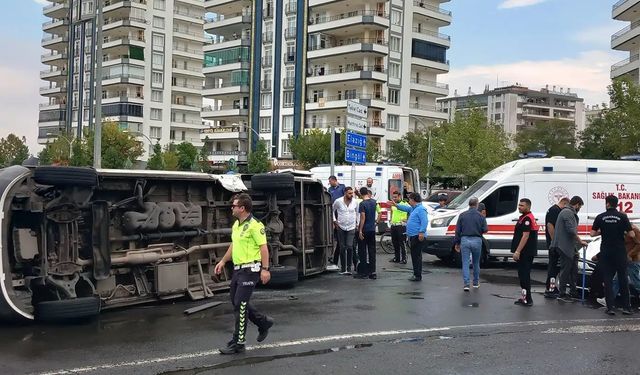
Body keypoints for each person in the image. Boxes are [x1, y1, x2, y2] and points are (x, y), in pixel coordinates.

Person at [215, 193, 274, 354]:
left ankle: (238, 342)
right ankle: (263, 323)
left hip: (250, 270)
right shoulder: (237, 225)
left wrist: (265, 269)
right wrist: (223, 261)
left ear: (242, 208)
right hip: (238, 269)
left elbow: (263, 248)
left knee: (240, 305)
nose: (231, 208)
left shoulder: (255, 225)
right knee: (237, 302)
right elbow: (234, 245)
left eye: (234, 206)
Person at [590, 195, 635, 315]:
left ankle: (610, 307)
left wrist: (602, 230)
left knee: (608, 279)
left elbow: (592, 234)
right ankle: (626, 307)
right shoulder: (622, 217)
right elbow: (631, 235)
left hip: (606, 252)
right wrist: (623, 231)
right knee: (622, 279)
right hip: (619, 251)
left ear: (607, 204)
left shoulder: (600, 217)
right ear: (616, 204)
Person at [550, 196, 586, 302]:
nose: (579, 209)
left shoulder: (568, 212)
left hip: (568, 245)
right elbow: (571, 231)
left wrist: (575, 249)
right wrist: (580, 242)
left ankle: (573, 291)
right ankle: (562, 292)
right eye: (580, 206)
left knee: (572, 268)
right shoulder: (568, 213)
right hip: (564, 246)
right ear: (577, 204)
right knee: (566, 269)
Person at [390, 192, 428, 281]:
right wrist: (396, 205)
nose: (409, 201)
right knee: (415, 256)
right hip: (413, 236)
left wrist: (421, 232)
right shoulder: (413, 208)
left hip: (417, 235)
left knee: (416, 256)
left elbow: (424, 221)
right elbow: (405, 208)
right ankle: (416, 274)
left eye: (410, 199)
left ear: (413, 200)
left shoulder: (421, 209)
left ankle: (417, 275)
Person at [454, 197, 488, 291]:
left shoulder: (462, 215)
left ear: (469, 204)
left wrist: (457, 242)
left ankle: (466, 284)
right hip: (477, 240)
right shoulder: (481, 216)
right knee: (476, 262)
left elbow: (458, 230)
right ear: (477, 205)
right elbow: (485, 229)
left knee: (465, 262)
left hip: (465, 239)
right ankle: (476, 283)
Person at [511, 198, 539, 306]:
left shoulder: (527, 219)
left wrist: (517, 251)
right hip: (525, 252)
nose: (519, 207)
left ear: (528, 206)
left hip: (526, 252)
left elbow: (525, 236)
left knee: (524, 275)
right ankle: (525, 298)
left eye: (522, 205)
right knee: (522, 275)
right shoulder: (524, 217)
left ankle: (528, 299)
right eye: (519, 205)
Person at [543, 197, 570, 298]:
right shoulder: (555, 210)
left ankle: (552, 287)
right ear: (564, 203)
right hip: (554, 244)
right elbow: (550, 226)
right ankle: (551, 289)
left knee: (555, 266)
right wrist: (555, 242)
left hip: (554, 243)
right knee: (553, 266)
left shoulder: (555, 210)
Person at [332, 187, 359, 275]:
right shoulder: (338, 201)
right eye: (349, 193)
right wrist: (334, 221)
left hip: (351, 227)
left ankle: (349, 268)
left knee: (350, 247)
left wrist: (357, 224)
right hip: (341, 227)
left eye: (352, 193)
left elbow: (358, 212)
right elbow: (332, 210)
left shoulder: (355, 202)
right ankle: (343, 268)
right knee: (342, 248)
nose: (351, 195)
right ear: (345, 193)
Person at [356, 187, 378, 279]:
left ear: (361, 194)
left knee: (362, 251)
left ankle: (364, 272)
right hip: (372, 229)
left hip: (365, 230)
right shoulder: (374, 202)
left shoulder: (362, 204)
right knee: (372, 251)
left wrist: (360, 230)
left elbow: (362, 217)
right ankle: (372, 271)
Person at [327, 175, 346, 270]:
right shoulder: (330, 189)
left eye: (330, 181)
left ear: (334, 180)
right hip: (333, 215)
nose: (329, 183)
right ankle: (332, 258)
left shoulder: (342, 187)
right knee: (335, 239)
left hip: (341, 215)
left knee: (341, 242)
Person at [388, 191, 409, 264]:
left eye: (395, 197)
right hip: (394, 225)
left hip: (401, 226)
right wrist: (390, 219)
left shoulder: (405, 204)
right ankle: (397, 258)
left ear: (400, 196)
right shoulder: (393, 204)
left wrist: (407, 220)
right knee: (395, 243)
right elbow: (392, 212)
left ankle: (404, 258)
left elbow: (410, 212)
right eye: (393, 197)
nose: (394, 198)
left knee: (402, 243)